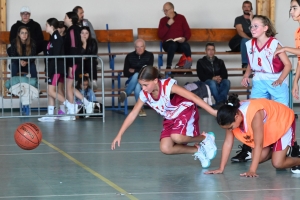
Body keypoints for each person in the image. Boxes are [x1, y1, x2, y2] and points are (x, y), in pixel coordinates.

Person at [111, 66, 218, 168]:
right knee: (165, 148)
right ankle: (198, 150)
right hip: (170, 117)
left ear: (155, 80)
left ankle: (205, 137)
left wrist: (212, 111)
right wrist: (119, 134)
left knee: (177, 137)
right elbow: (133, 113)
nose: (143, 88)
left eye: (145, 85)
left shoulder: (168, 86)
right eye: (141, 85)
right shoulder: (145, 94)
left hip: (184, 110)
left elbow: (193, 97)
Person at [234, 14, 293, 164]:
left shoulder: (274, 44)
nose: (252, 28)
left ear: (265, 28)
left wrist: (280, 79)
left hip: (275, 79)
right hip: (259, 79)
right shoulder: (250, 44)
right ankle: (252, 146)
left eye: (256, 26)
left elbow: (288, 65)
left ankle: (290, 146)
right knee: (255, 114)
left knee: (282, 114)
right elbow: (250, 64)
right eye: (251, 26)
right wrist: (246, 75)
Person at [205, 94, 300, 177]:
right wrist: (221, 168)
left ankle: (297, 160)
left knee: (278, 163)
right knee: (257, 158)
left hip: (283, 121)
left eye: (230, 127)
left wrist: (252, 170)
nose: (230, 130)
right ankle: (282, 151)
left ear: (236, 117)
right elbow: (228, 143)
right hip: (270, 126)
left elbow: (258, 144)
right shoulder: (230, 117)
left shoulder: (254, 115)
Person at [273, 0, 300, 173]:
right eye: (290, 8)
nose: (291, 11)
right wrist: (296, 82)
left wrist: (284, 49)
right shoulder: (297, 31)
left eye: (295, 7)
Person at [38, 18, 78, 122]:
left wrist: (50, 71)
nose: (45, 27)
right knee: (51, 91)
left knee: (51, 91)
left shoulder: (56, 38)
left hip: (56, 69)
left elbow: (55, 57)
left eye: (47, 25)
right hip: (53, 68)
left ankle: (69, 106)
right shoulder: (52, 38)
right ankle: (51, 114)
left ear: (52, 26)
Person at [62, 11, 94, 120]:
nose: (64, 19)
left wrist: (71, 64)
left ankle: (71, 113)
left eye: (65, 17)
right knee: (69, 87)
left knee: (68, 87)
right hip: (73, 61)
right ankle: (86, 103)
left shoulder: (72, 29)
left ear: (71, 18)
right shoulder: (73, 29)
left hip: (73, 62)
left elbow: (74, 48)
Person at [118, 39, 154, 117]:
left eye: (141, 47)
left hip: (144, 81)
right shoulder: (129, 56)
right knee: (137, 83)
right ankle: (140, 108)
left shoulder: (150, 55)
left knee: (137, 79)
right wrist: (141, 70)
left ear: (145, 47)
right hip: (131, 81)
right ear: (135, 47)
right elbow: (126, 73)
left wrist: (134, 70)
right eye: (137, 47)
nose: (140, 49)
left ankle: (126, 93)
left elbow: (148, 71)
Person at [158, 2, 192, 69]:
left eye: (166, 10)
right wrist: (168, 24)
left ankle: (188, 67)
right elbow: (160, 35)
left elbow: (188, 32)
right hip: (167, 44)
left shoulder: (181, 18)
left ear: (172, 9)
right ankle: (168, 67)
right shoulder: (162, 20)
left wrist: (184, 39)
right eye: (164, 10)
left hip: (179, 43)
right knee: (172, 44)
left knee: (186, 45)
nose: (165, 12)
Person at [196, 43, 230, 109]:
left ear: (215, 51)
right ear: (205, 51)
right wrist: (212, 78)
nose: (211, 51)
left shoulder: (220, 61)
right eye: (209, 50)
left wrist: (220, 78)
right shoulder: (200, 62)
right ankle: (220, 102)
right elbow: (201, 75)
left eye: (212, 50)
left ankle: (220, 103)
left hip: (219, 80)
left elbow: (225, 74)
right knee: (212, 82)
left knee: (227, 82)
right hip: (207, 82)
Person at [229, 1, 253, 70]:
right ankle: (245, 64)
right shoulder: (239, 19)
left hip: (252, 44)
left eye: (248, 6)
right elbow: (240, 32)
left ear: (251, 8)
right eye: (245, 6)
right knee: (245, 40)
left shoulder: (255, 18)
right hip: (240, 43)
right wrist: (250, 39)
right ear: (242, 8)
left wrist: (251, 19)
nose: (246, 8)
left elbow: (258, 30)